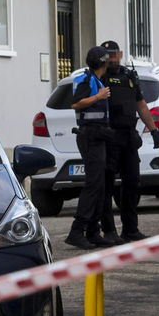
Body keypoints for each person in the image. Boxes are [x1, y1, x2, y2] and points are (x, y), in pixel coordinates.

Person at [98, 40, 159, 242]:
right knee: (106, 186)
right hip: (109, 137)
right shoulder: (98, 77)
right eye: (106, 54)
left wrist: (154, 130)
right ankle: (109, 231)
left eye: (113, 54)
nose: (110, 58)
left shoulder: (128, 76)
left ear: (120, 54)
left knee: (132, 183)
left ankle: (130, 229)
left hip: (128, 137)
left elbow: (141, 105)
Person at [65, 46, 116, 250]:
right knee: (93, 184)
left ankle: (93, 231)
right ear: (103, 63)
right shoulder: (87, 80)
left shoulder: (96, 80)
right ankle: (77, 231)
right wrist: (98, 97)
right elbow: (76, 104)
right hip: (90, 137)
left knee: (100, 185)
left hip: (98, 136)